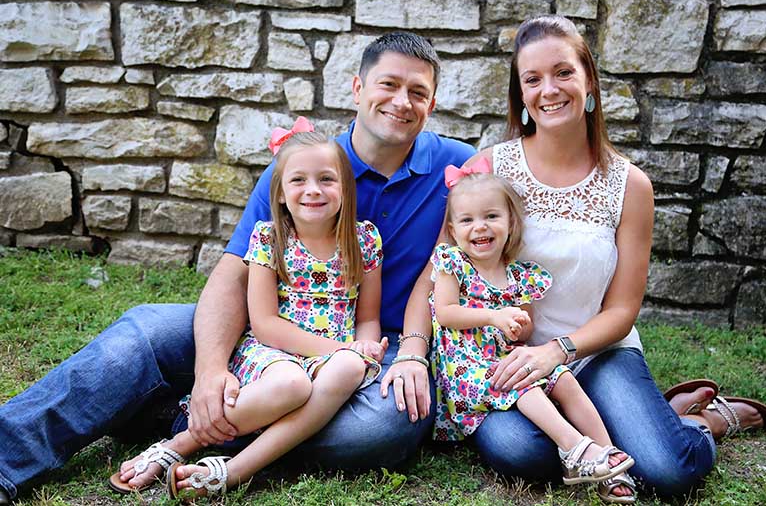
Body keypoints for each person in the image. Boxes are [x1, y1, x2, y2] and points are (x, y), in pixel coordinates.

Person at [0, 31, 474, 504]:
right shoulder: (301, 163)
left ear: (432, 103)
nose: (401, 101)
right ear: (357, 89)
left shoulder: (457, 168)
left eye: (418, 92)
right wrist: (209, 371)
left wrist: (411, 349)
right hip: (266, 330)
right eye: (388, 84)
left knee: (382, 428)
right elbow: (234, 273)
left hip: (374, 348)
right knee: (145, 332)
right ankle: (8, 459)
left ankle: (184, 424)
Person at [450, 15, 766, 499]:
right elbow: (446, 264)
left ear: (589, 81)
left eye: (563, 73)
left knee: (667, 471)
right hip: (509, 358)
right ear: (520, 95)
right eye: (532, 79)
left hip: (596, 350)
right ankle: (637, 423)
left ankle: (704, 423)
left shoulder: (630, 185)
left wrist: (557, 351)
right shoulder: (492, 167)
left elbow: (622, 310)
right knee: (521, 452)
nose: (549, 90)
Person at [110, 124, 388, 498]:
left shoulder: (364, 240)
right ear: (281, 193)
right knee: (293, 384)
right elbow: (265, 324)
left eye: (327, 179)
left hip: (332, 357)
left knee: (353, 367)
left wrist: (364, 348)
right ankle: (180, 443)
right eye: (298, 180)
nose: (313, 190)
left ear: (345, 188)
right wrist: (340, 349)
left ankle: (234, 470)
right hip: (272, 352)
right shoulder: (269, 238)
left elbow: (367, 318)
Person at [429, 163, 635, 502]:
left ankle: (608, 457)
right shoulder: (453, 263)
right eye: (467, 220)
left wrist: (518, 327)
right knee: (526, 385)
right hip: (465, 369)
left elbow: (523, 332)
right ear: (453, 229)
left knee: (563, 378)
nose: (480, 227)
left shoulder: (521, 276)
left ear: (510, 223)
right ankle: (574, 450)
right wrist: (494, 317)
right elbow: (447, 313)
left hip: (501, 359)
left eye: (491, 216)